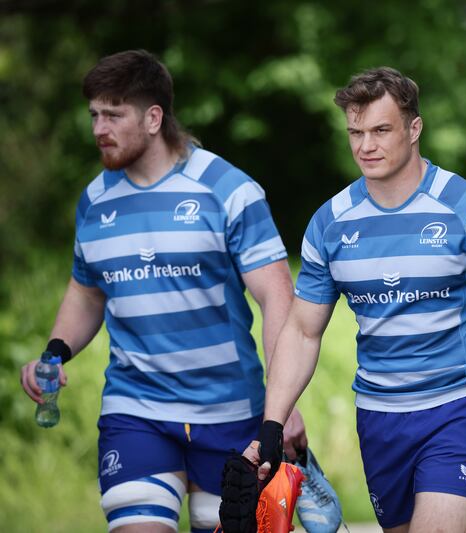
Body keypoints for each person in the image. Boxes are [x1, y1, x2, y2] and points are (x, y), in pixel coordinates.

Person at [241, 66, 466, 533]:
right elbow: (302, 330)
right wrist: (272, 426)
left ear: (414, 129)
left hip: (461, 408)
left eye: (380, 130)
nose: (365, 146)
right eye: (355, 132)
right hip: (380, 419)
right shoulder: (330, 222)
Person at [18, 49, 307, 533]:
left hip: (231, 413)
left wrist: (283, 405)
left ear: (154, 118)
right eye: (94, 114)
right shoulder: (95, 200)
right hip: (137, 409)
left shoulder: (229, 191)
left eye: (113, 114)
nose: (98, 128)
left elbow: (278, 298)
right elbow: (87, 291)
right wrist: (54, 352)